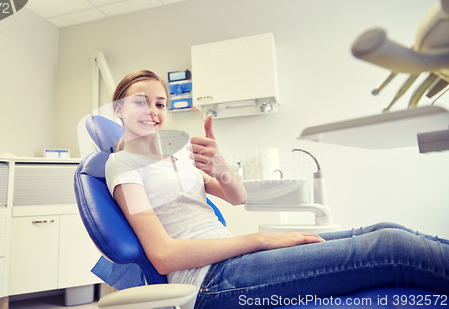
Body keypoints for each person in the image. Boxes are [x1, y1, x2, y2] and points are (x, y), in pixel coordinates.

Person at [105, 69, 449, 309]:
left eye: (161, 103)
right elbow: (163, 255)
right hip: (213, 282)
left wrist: (220, 164)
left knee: (383, 230)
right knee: (390, 247)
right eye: (140, 101)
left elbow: (237, 197)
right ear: (119, 109)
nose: (153, 110)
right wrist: (261, 239)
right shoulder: (123, 165)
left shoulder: (175, 155)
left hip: (235, 260)